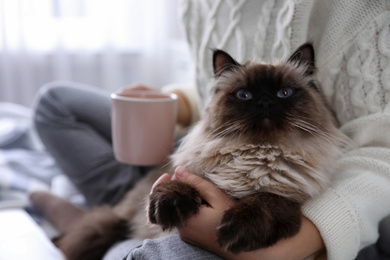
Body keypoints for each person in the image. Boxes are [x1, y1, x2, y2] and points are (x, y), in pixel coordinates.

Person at [31, 0, 390, 259]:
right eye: (247, 95)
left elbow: (382, 143)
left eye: (284, 93)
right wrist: (175, 101)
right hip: (209, 143)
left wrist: (301, 241)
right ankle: (112, 214)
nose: (266, 105)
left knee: (144, 254)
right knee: (55, 102)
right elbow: (209, 87)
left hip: (265, 208)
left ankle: (104, 226)